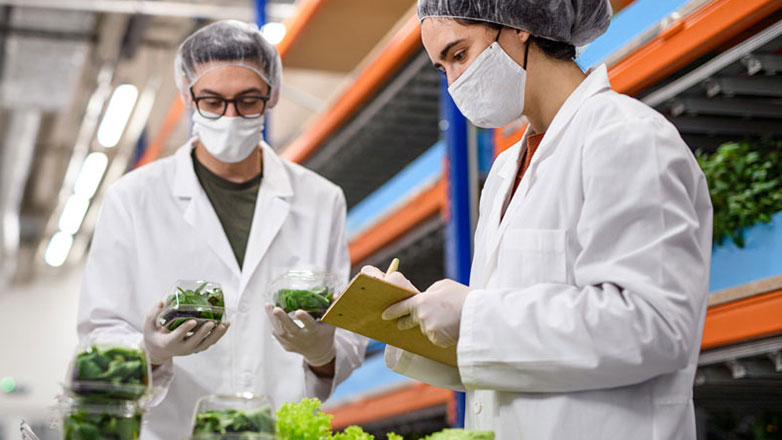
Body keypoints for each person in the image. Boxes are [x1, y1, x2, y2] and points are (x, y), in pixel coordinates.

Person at [362, 1, 713, 438]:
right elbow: (512, 356)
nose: (454, 83)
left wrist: (473, 315)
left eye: (459, 55)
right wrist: (410, 319)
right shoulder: (505, 172)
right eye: (442, 68)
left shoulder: (628, 136)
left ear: (519, 25)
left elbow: (652, 326)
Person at [78, 20, 366, 439]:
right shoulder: (133, 198)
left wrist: (322, 353)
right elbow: (99, 336)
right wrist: (151, 353)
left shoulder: (321, 200)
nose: (230, 117)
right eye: (212, 101)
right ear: (187, 95)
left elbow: (344, 336)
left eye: (248, 101)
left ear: (272, 95)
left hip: (277, 429)